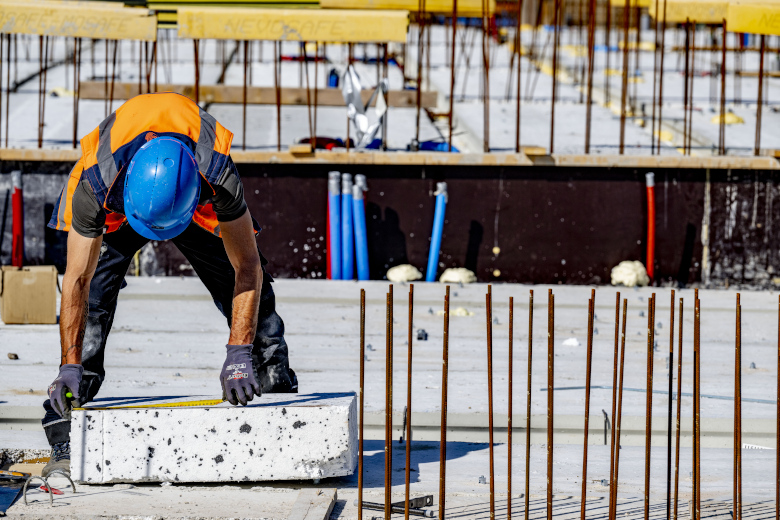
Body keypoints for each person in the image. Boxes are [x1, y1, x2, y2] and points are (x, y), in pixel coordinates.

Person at [42, 92, 297, 478]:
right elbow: (76, 280)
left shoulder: (218, 176)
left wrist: (239, 349)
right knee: (92, 299)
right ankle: (69, 409)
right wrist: (69, 363)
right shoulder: (95, 184)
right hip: (121, 200)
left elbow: (247, 266)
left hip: (187, 196)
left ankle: (271, 380)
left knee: (241, 279)